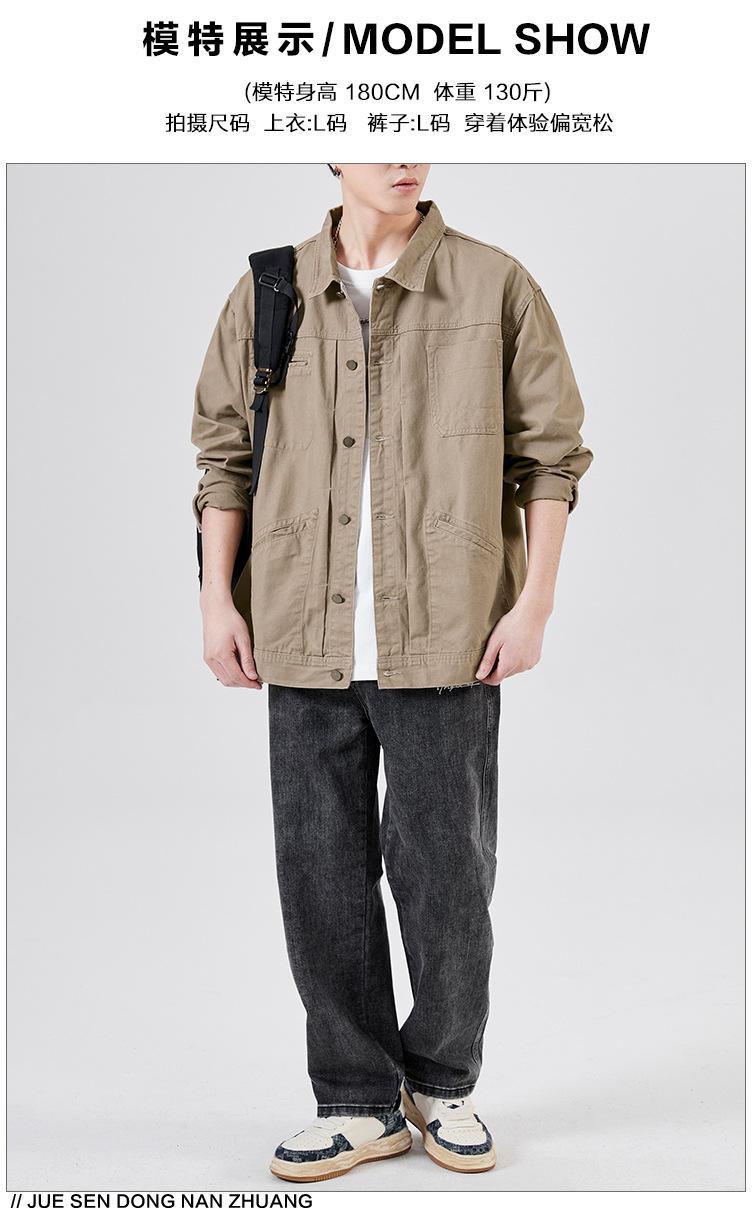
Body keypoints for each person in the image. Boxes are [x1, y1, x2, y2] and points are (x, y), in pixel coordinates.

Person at [191, 164, 593, 1182]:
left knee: (447, 873)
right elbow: (225, 455)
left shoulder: (494, 284)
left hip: (446, 632)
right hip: (301, 629)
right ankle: (355, 1098)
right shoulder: (270, 289)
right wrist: (215, 600)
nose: (401, 150)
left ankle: (443, 1081)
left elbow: (550, 455)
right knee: (318, 872)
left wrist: (534, 604)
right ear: (331, 148)